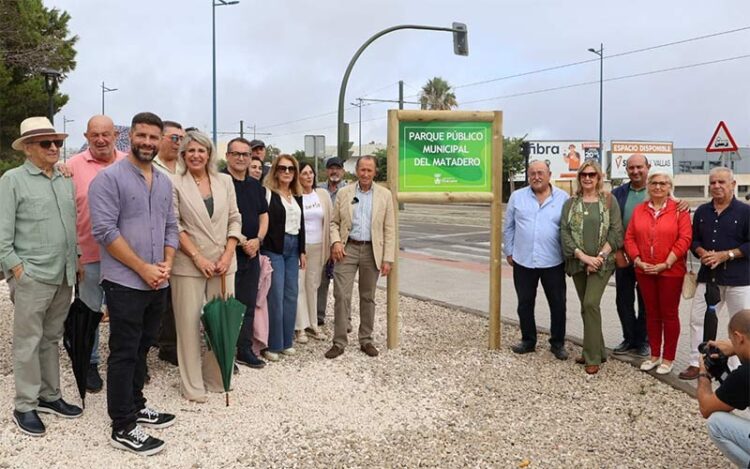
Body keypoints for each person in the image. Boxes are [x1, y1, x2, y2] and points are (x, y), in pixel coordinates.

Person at [89, 112, 177, 455]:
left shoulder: (164, 182)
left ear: (161, 141)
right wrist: (143, 268)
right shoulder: (109, 179)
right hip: (126, 281)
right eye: (142, 136)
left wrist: (167, 264)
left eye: (154, 138)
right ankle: (122, 424)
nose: (148, 143)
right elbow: (106, 232)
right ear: (130, 137)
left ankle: (137, 403)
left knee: (143, 346)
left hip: (158, 281)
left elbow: (172, 226)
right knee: (124, 352)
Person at [0, 117, 82, 437]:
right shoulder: (12, 180)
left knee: (51, 338)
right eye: (46, 144)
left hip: (63, 274)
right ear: (28, 148)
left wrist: (74, 260)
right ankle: (25, 405)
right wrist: (17, 269)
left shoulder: (63, 178)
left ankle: (50, 396)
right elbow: (3, 233)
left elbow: (70, 224)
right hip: (32, 276)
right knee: (27, 342)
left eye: (57, 143)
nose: (53, 148)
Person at [170, 131, 242, 400]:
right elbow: (174, 225)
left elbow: (235, 218)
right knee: (188, 325)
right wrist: (197, 257)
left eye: (201, 150)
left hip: (224, 264)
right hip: (188, 264)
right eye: (191, 151)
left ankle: (216, 376)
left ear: (209, 154)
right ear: (183, 155)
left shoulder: (224, 181)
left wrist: (227, 253)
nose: (196, 155)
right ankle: (192, 385)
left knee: (222, 322)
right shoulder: (174, 183)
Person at [67, 115, 127, 393]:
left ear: (115, 134)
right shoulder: (71, 167)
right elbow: (66, 213)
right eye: (94, 135)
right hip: (88, 255)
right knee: (89, 312)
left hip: (125, 257)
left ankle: (125, 363)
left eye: (106, 134)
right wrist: (73, 253)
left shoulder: (130, 163)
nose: (101, 140)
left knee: (124, 313)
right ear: (86, 136)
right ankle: (89, 364)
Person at [681, 167, 750, 380]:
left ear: (733, 185)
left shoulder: (745, 212)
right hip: (709, 276)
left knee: (741, 324)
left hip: (739, 279)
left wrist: (725, 255)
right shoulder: (702, 211)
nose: (716, 186)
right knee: (697, 319)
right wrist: (701, 252)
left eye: (721, 182)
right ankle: (696, 362)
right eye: (713, 183)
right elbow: (694, 240)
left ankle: (740, 366)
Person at [325, 155, 395, 359]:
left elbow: (389, 229)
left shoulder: (384, 195)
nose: (365, 174)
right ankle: (338, 342)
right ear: (356, 171)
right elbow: (333, 223)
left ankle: (366, 339)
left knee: (368, 297)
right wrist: (336, 242)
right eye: (362, 170)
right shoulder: (344, 193)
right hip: (347, 249)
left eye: (369, 170)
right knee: (341, 295)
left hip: (372, 251)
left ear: (375, 173)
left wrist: (387, 258)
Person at [624, 172, 692, 375]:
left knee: (669, 315)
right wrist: (637, 260)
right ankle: (654, 355)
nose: (658, 187)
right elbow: (630, 238)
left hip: (670, 271)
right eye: (654, 183)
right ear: (648, 186)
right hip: (644, 270)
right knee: (651, 314)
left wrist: (666, 263)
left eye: (663, 183)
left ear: (670, 186)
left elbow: (685, 238)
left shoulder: (679, 210)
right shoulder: (639, 210)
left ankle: (668, 358)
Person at [560, 160, 623, 375]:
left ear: (598, 178)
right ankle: (598, 350)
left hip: (602, 263)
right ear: (579, 178)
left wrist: (599, 257)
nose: (587, 178)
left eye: (592, 175)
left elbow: (616, 232)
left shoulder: (608, 201)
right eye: (584, 175)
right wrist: (584, 258)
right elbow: (565, 234)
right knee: (586, 307)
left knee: (590, 303)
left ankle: (592, 357)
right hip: (578, 262)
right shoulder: (571, 203)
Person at [503, 160, 569, 360]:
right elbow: (509, 226)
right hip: (523, 260)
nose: (536, 177)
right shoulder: (517, 197)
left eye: (540, 172)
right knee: (525, 303)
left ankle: (557, 343)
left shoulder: (563, 198)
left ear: (549, 175)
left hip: (553, 261)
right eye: (532, 173)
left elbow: (568, 229)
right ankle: (528, 340)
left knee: (558, 303)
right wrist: (509, 251)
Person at [222, 137, 269, 368]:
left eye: (245, 154)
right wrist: (240, 241)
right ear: (227, 156)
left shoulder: (254, 185)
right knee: (226, 304)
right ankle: (224, 351)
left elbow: (263, 215)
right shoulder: (220, 183)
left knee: (248, 304)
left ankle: (244, 348)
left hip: (252, 253)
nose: (241, 158)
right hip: (228, 253)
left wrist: (258, 240)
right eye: (236, 154)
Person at [261, 154, 306, 361]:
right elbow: (263, 222)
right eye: (282, 168)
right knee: (275, 297)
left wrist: (302, 250)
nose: (287, 172)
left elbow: (301, 224)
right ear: (275, 171)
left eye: (290, 169)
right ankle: (273, 344)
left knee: (291, 295)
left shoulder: (297, 195)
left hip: (293, 247)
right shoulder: (268, 193)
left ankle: (287, 341)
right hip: (275, 249)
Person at [697, 309, 750, 467]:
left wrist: (704, 374)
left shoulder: (744, 375)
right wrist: (735, 347)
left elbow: (706, 408)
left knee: (716, 423)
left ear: (739, 337)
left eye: (732, 340)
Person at [152, 120, 185, 367]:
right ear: (161, 138)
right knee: (158, 295)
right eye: (174, 138)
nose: (179, 143)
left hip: (184, 238)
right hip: (157, 238)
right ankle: (158, 341)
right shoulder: (150, 166)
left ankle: (171, 343)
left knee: (177, 297)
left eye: (182, 139)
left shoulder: (184, 167)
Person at [295, 162, 332, 344]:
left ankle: (313, 324)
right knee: (299, 285)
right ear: (298, 176)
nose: (308, 176)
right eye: (304, 173)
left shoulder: (322, 195)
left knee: (313, 285)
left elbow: (330, 221)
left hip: (318, 246)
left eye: (311, 173)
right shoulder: (294, 196)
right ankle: (300, 327)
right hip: (300, 248)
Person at [316, 157, 347, 327]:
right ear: (326, 171)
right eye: (331, 168)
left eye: (338, 168)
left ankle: (343, 320)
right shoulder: (318, 189)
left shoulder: (350, 190)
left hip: (342, 244)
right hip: (320, 243)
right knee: (320, 282)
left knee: (342, 285)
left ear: (343, 171)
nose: (334, 172)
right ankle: (318, 316)